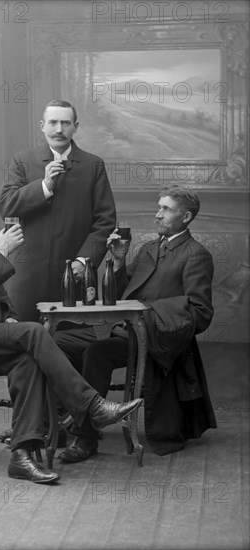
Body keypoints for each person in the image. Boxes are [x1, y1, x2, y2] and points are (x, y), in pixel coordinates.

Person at [0, 178, 141, 484]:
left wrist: (8, 316)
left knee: (26, 361)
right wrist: (1, 253)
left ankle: (21, 456)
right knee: (35, 333)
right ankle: (92, 406)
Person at [54, 185, 217, 462]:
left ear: (186, 217)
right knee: (55, 341)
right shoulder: (147, 249)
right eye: (158, 207)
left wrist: (146, 313)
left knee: (96, 353)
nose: (157, 215)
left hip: (156, 339)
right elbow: (117, 297)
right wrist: (117, 262)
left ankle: (86, 437)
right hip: (124, 332)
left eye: (165, 209)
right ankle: (56, 420)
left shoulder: (196, 254)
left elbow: (200, 312)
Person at [0, 99, 116, 322]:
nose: (59, 130)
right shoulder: (22, 161)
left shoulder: (93, 166)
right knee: (23, 345)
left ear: (76, 126)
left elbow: (105, 222)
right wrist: (43, 186)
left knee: (71, 347)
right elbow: (6, 206)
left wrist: (84, 262)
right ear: (42, 125)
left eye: (65, 123)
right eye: (52, 122)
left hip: (75, 279)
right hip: (26, 278)